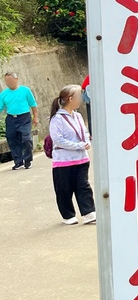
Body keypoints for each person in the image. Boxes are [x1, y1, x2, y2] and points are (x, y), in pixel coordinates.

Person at [49, 85, 96, 225]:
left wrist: (86, 142)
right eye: (79, 96)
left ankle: (89, 212)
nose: (81, 99)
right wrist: (78, 146)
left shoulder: (78, 115)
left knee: (83, 186)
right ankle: (68, 215)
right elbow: (58, 139)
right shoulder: (57, 119)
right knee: (64, 188)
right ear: (70, 99)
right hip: (64, 160)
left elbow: (85, 132)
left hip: (81, 158)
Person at [1, 72, 39, 170]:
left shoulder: (25, 90)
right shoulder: (3, 94)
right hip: (11, 118)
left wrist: (35, 117)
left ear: (16, 79)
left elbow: (33, 104)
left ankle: (27, 160)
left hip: (24, 117)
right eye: (6, 81)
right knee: (12, 140)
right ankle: (18, 162)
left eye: (10, 80)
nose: (8, 82)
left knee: (26, 139)